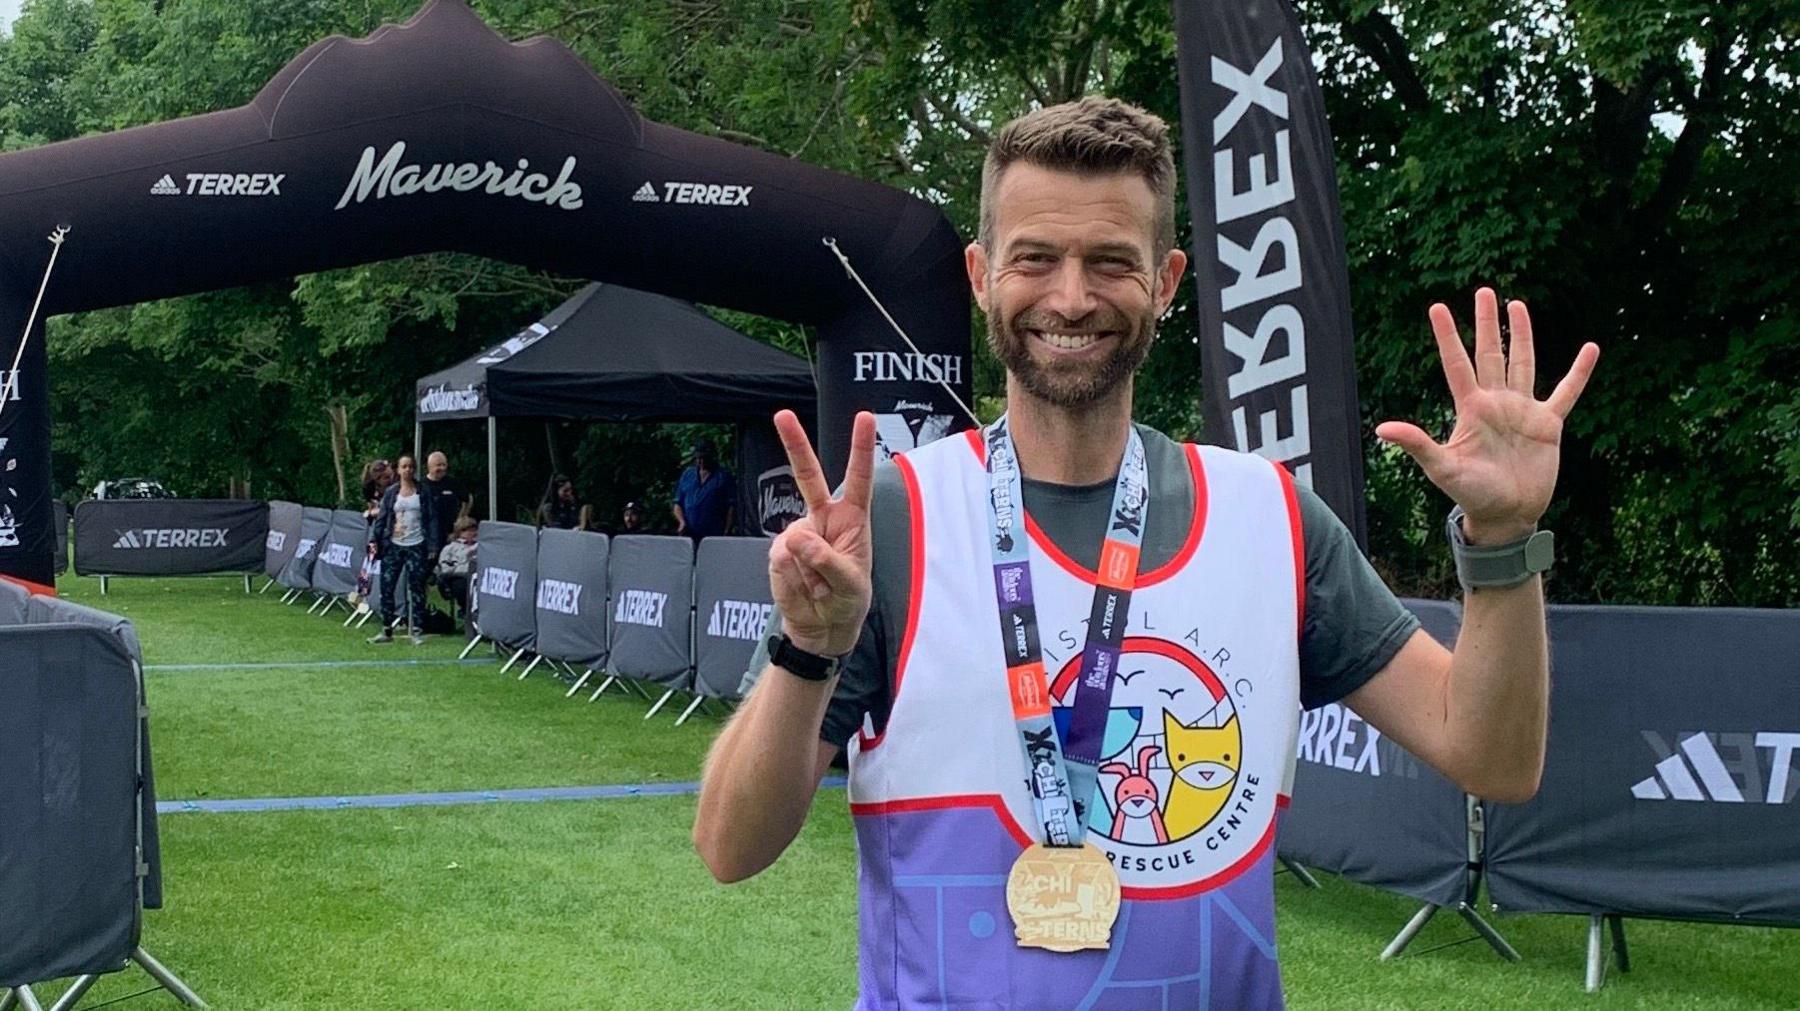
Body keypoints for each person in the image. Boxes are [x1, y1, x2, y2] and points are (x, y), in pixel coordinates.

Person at [693, 97, 1599, 1008]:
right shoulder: (895, 522)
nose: (1072, 296)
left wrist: (1504, 542)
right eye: (1035, 258)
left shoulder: (1271, 518)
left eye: (1111, 262)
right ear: (980, 273)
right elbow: (731, 846)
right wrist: (808, 648)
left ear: (1166, 280)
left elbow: (1492, 758)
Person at [367, 454, 441, 645]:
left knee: (416, 587)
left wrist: (433, 545)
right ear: (398, 470)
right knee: (387, 586)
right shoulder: (392, 493)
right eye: (404, 467)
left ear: (414, 469)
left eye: (410, 467)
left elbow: (432, 518)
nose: (407, 470)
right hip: (394, 545)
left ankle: (417, 629)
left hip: (417, 544)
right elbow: (383, 518)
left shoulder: (422, 491)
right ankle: (386, 629)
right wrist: (375, 540)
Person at [672, 438, 737, 540]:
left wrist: (727, 530)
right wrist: (681, 521)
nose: (701, 461)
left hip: (713, 534)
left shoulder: (723, 476)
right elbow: (677, 504)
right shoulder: (687, 474)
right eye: (698, 458)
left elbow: (731, 507)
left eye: (704, 458)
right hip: (689, 534)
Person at [421, 451, 470, 551]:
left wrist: (461, 519)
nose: (442, 468)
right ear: (429, 467)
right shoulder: (421, 485)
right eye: (438, 465)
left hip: (449, 535)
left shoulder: (452, 483)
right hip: (427, 536)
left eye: (444, 464)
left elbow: (467, 499)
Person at [435, 516, 479, 624]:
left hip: (478, 577)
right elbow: (444, 569)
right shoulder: (450, 548)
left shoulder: (481, 546)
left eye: (473, 529)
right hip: (458, 577)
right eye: (467, 530)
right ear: (459, 532)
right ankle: (467, 612)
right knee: (461, 586)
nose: (471, 533)